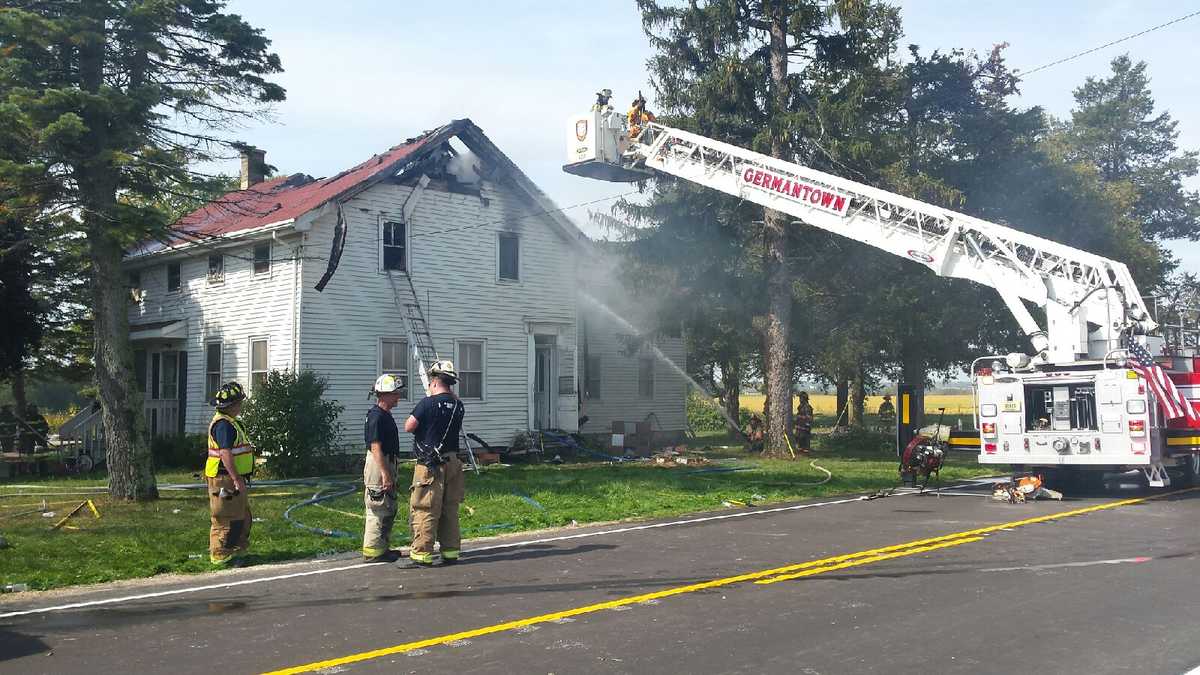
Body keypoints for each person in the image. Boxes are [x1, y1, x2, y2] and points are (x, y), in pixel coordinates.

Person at [404, 361, 466, 567]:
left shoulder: (427, 403)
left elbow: (409, 426)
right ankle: (450, 552)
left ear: (435, 380)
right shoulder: (458, 405)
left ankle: (421, 554)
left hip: (430, 466)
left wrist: (428, 401)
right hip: (453, 463)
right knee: (450, 509)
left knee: (425, 508)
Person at [204, 382, 254, 567]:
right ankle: (220, 557)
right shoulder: (224, 425)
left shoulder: (230, 422)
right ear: (232, 406)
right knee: (226, 517)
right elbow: (225, 453)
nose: (241, 406)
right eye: (239, 403)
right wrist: (236, 478)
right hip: (224, 480)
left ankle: (235, 552)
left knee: (241, 516)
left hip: (229, 479)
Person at [362, 373, 405, 563]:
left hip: (386, 462)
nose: (398, 397)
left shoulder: (384, 415)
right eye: (395, 393)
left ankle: (382, 548)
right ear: (384, 395)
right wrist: (385, 474)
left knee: (387, 506)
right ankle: (373, 552)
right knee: (378, 507)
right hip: (379, 464)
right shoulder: (376, 417)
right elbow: (376, 447)